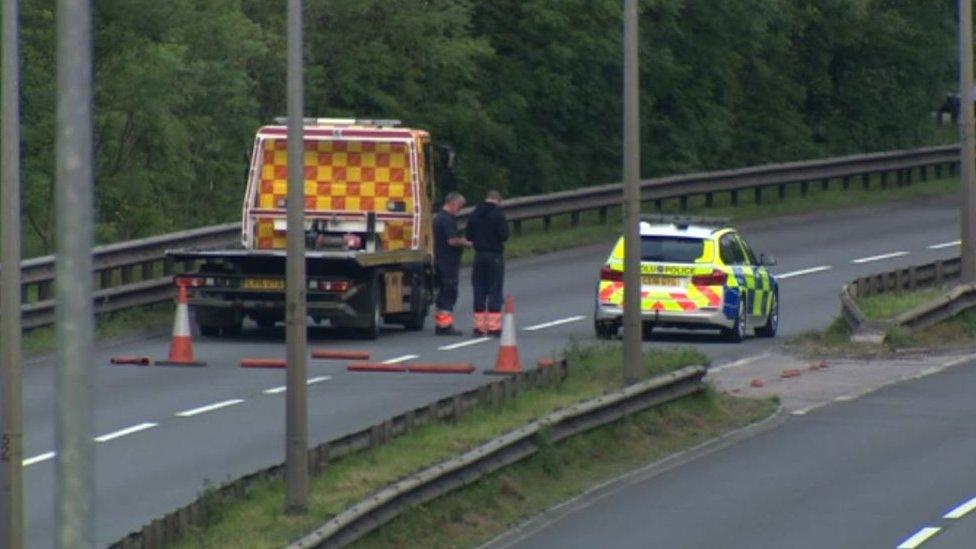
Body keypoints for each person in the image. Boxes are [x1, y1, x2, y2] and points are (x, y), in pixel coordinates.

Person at [466, 189, 509, 336]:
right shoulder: (498, 214)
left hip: (479, 255)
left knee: (479, 289)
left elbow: (468, 235)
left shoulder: (474, 213)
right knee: (494, 290)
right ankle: (493, 327)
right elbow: (504, 236)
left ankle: (478, 327)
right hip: (494, 255)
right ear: (498, 199)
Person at [432, 191, 470, 335]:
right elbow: (452, 240)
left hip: (441, 260)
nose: (459, 210)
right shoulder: (446, 220)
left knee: (444, 292)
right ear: (452, 203)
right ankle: (444, 326)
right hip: (447, 262)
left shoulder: (438, 218)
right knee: (449, 292)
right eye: (459, 206)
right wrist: (466, 243)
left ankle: (441, 324)